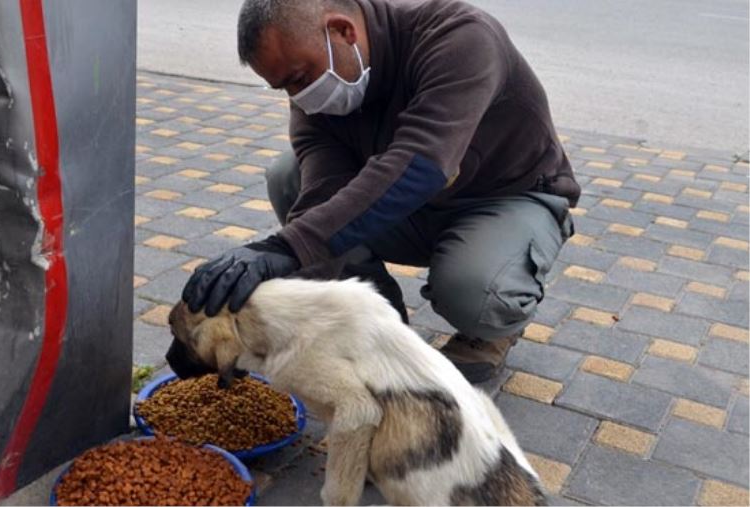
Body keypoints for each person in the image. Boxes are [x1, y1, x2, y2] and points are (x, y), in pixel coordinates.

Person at [181, 0, 580, 383]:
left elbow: (421, 164)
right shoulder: (313, 99)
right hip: (411, 205)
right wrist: (238, 315)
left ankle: (490, 332)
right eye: (283, 87)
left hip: (504, 198)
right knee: (289, 176)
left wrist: (284, 250)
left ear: (342, 31)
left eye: (299, 78)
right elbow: (322, 192)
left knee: (475, 292)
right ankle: (381, 317)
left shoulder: (459, 37)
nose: (297, 98)